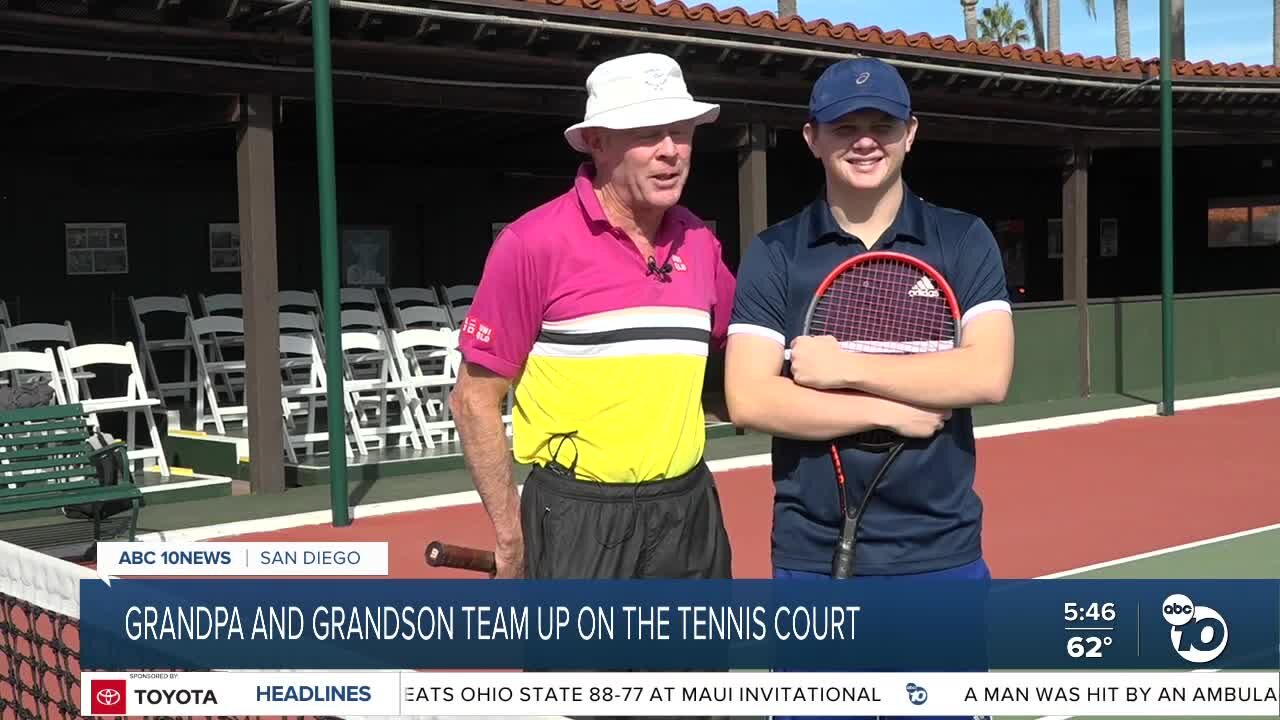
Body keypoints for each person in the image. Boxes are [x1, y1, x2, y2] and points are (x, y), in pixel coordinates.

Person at [724, 56, 1014, 717]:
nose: (864, 140)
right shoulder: (775, 254)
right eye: (844, 125)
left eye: (881, 124)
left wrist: (845, 369)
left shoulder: (963, 241)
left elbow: (986, 373)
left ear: (910, 134)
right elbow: (751, 397)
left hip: (939, 555)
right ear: (812, 139)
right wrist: (901, 410)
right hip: (813, 559)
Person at [450, 52, 737, 583]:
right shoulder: (530, 243)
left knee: (697, 668)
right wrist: (511, 536)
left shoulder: (700, 239)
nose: (671, 151)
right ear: (598, 142)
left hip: (688, 509)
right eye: (649, 133)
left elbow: (740, 359)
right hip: (576, 517)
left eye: (681, 131)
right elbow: (473, 401)